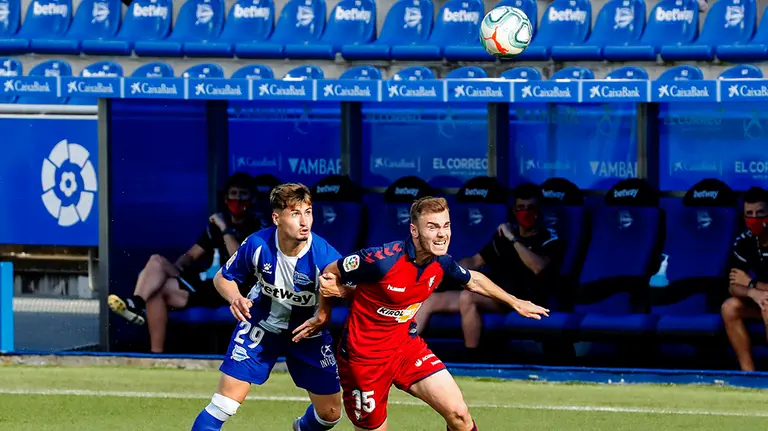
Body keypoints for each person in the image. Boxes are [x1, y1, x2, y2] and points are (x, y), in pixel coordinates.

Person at [301, 196, 549, 431]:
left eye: (446, 226)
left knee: (459, 414)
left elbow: (473, 280)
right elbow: (330, 272)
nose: (442, 234)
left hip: (406, 349)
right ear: (414, 230)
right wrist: (324, 313)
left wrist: (515, 302)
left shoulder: (441, 262)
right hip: (364, 360)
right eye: (432, 227)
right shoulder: (381, 260)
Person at [191, 183, 344, 431]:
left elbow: (356, 289)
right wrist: (235, 298)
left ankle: (302, 427)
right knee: (223, 405)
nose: (304, 221)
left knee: (330, 415)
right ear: (276, 218)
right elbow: (223, 278)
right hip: (260, 327)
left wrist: (339, 293)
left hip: (307, 334)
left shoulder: (324, 255)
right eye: (295, 214)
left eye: (308, 212)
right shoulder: (257, 244)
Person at [107, 173, 264, 353]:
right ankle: (155, 354)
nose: (237, 199)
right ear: (226, 197)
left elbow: (239, 259)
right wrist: (177, 268)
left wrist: (225, 229)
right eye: (234, 194)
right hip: (206, 286)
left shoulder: (256, 226)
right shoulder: (216, 226)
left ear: (252, 198)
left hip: (233, 289)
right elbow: (192, 254)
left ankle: (135, 304)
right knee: (157, 279)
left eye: (243, 194)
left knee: (157, 269)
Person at [414, 183, 564, 360]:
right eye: (521, 208)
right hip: (494, 295)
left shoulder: (549, 238)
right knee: (430, 299)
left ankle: (472, 360)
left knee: (468, 297)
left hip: (523, 299)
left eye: (530, 208)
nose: (525, 212)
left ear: (539, 210)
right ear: (514, 210)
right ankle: (400, 352)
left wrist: (513, 239)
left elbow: (538, 267)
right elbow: (476, 261)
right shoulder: (503, 235)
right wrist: (445, 269)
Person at [721, 186, 768, 372]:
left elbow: (745, 281)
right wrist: (751, 292)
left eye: (760, 213)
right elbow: (733, 285)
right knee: (729, 307)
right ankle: (748, 374)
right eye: (749, 214)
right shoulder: (745, 241)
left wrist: (752, 284)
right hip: (762, 298)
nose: (754, 219)